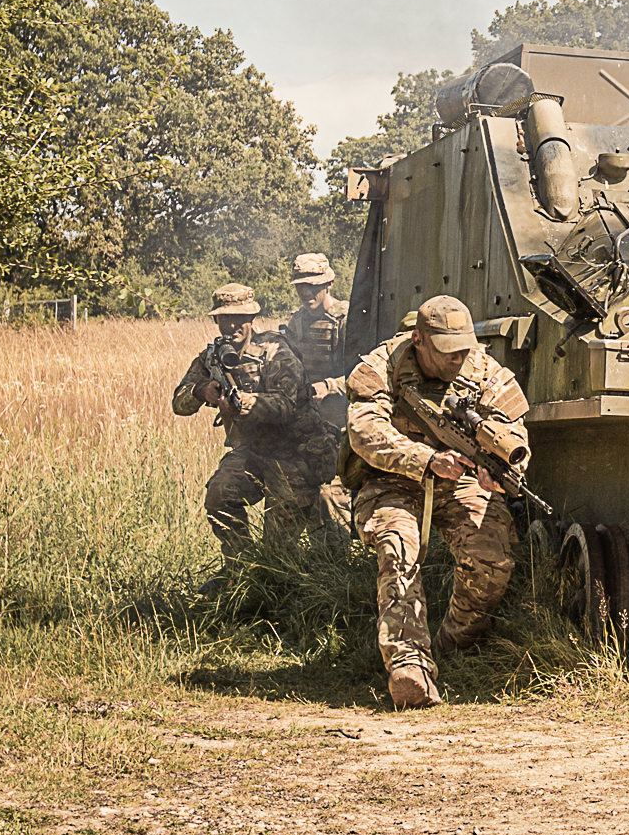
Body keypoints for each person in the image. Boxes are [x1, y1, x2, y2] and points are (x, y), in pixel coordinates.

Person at [343, 294, 529, 709]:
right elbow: (365, 433)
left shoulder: (483, 369)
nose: (457, 360)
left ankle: (453, 642)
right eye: (446, 352)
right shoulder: (382, 366)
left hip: (458, 481)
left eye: (463, 349)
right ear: (418, 340)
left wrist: (500, 468)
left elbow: (512, 429)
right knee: (398, 548)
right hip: (392, 478)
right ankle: (410, 667)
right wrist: (426, 459)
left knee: (492, 558)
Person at [171, 282, 315, 588]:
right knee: (220, 495)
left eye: (240, 318)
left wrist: (249, 403)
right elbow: (179, 404)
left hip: (292, 454)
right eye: (226, 319)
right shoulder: (213, 357)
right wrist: (203, 390)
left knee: (278, 551)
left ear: (252, 318)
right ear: (216, 322)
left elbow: (288, 406)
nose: (233, 325)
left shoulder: (276, 352)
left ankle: (278, 588)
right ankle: (241, 568)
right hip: (252, 452)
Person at [280, 252, 353, 530]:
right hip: (306, 424)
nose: (306, 292)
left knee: (332, 498)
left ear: (329, 284)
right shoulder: (296, 323)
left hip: (341, 425)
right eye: (300, 285)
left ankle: (340, 565)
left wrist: (329, 385)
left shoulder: (347, 319)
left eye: (312, 285)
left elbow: (367, 375)